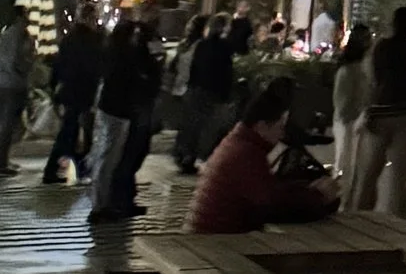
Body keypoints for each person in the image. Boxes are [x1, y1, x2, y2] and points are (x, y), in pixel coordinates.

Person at [187, 78, 343, 234]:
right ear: (261, 126)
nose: (281, 134)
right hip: (217, 239)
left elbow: (269, 191)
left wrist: (308, 190)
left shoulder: (240, 143)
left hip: (212, 234)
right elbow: (272, 206)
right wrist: (319, 196)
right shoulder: (246, 153)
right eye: (279, 127)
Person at [347, 4, 406, 215]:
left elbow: (372, 79)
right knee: (400, 177)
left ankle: (361, 217)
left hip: (380, 111)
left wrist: (368, 108)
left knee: (369, 174)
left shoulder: (381, 48)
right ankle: (398, 221)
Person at [87, 14, 163, 223]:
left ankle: (105, 202)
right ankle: (102, 205)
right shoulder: (124, 56)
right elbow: (136, 78)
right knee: (110, 158)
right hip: (118, 110)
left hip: (113, 109)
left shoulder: (114, 51)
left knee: (110, 156)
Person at [43, 11, 107, 186]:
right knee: (77, 132)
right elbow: (95, 67)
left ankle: (67, 169)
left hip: (70, 91)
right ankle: (74, 169)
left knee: (71, 132)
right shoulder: (92, 40)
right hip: (83, 91)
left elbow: (59, 63)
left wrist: (54, 86)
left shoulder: (70, 38)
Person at [0, 5, 37, 176]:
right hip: (8, 85)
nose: (28, 18)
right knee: (5, 125)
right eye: (26, 14)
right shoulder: (16, 34)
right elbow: (12, 61)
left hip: (1, 84)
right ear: (19, 17)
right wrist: (24, 69)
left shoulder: (14, 34)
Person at [176, 16, 237, 174]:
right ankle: (197, 156)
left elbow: (194, 67)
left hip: (197, 88)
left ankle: (186, 155)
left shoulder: (202, 45)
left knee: (192, 124)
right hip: (212, 90)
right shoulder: (224, 47)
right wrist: (226, 93)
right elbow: (226, 72)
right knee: (207, 126)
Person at [328, 21, 374, 192]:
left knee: (353, 168)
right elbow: (343, 104)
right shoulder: (349, 71)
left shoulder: (359, 68)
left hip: (356, 122)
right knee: (346, 166)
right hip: (349, 123)